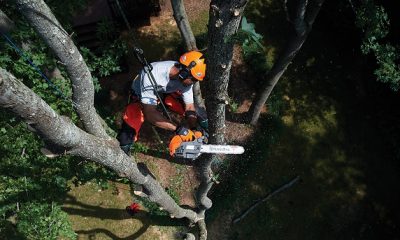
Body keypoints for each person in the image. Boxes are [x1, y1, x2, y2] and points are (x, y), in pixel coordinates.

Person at [117, 51, 206, 155]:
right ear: (184, 73)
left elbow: (190, 107)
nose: (194, 83)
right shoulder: (152, 74)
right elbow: (150, 114)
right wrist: (179, 130)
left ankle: (204, 131)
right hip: (141, 96)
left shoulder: (186, 81)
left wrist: (194, 129)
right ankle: (123, 153)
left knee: (197, 113)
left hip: (165, 93)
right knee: (127, 136)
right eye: (194, 80)